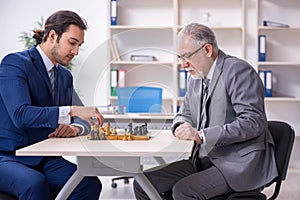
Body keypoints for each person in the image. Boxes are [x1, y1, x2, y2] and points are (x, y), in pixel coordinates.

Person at [133, 23, 278, 200]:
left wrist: (202, 135)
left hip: (238, 164)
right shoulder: (196, 77)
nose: (183, 64)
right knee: (143, 183)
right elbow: (183, 113)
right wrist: (181, 124)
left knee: (183, 191)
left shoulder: (238, 71)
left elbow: (253, 122)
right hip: (204, 160)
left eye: (186, 57)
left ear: (207, 50)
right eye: (180, 58)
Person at [0, 10, 103, 200]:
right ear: (53, 35)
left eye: (79, 45)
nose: (76, 52)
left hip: (45, 158)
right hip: (8, 156)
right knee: (35, 184)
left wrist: (75, 127)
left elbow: (85, 119)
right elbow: (21, 115)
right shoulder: (15, 63)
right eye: (72, 43)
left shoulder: (64, 76)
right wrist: (71, 110)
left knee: (88, 183)